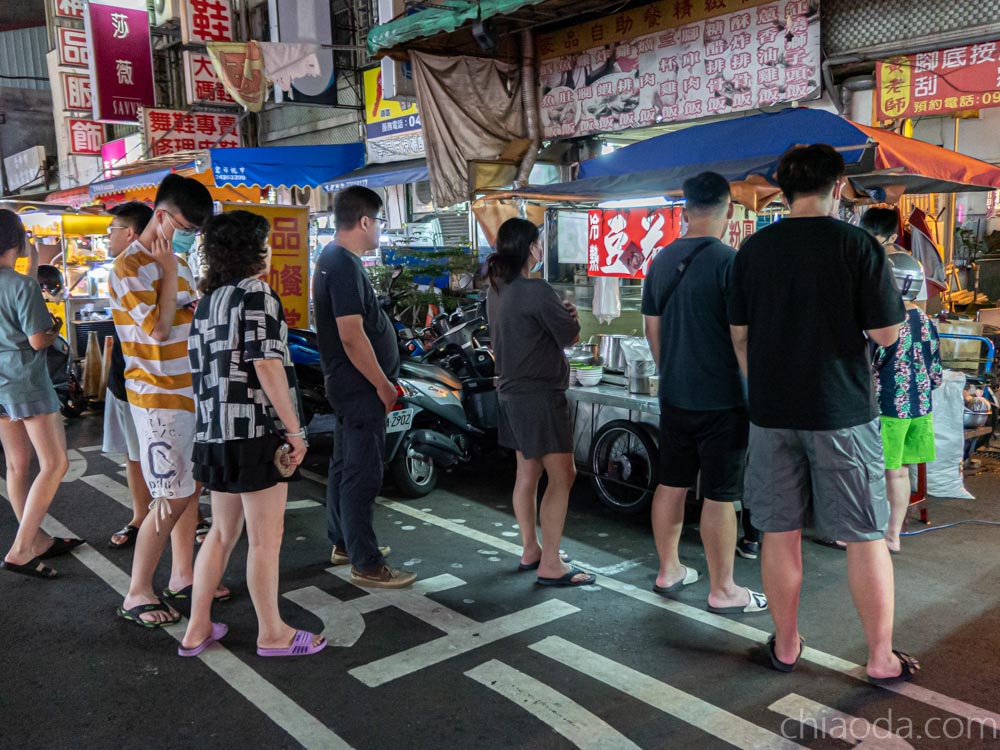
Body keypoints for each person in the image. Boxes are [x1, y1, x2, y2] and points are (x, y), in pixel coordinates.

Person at [729, 143, 919, 684]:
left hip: (771, 413)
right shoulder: (857, 245)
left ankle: (786, 646)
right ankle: (880, 657)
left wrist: (761, 382)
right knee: (864, 535)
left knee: (779, 532)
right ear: (838, 188)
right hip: (841, 411)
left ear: (783, 190)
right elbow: (885, 334)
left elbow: (738, 336)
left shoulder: (753, 250)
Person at [181, 210, 324, 658]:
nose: (269, 250)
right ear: (253, 249)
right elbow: (267, 364)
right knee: (266, 538)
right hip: (254, 432)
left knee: (222, 533)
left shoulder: (209, 301)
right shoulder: (256, 294)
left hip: (212, 434)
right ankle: (272, 633)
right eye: (264, 242)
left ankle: (196, 627)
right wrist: (295, 430)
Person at [640, 172, 767, 614]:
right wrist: (758, 390)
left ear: (685, 209)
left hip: (675, 396)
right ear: (730, 210)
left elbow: (651, 329)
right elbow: (741, 338)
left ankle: (668, 569)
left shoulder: (659, 261)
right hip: (725, 399)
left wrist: (670, 370)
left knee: (671, 484)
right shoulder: (732, 262)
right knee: (720, 494)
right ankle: (724, 588)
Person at [109, 174, 228, 627]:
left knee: (188, 488)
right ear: (161, 216)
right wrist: (173, 279)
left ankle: (183, 574)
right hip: (157, 396)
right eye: (186, 227)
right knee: (170, 496)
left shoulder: (171, 259)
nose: (190, 237)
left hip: (187, 388)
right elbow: (157, 330)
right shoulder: (126, 268)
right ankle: (137, 590)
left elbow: (185, 317)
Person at [485, 218, 595, 587]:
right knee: (563, 475)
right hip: (539, 395)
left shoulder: (497, 290)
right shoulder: (536, 290)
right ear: (531, 248)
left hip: (511, 391)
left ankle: (532, 549)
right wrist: (573, 318)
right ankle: (551, 563)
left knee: (528, 473)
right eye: (539, 243)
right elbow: (570, 335)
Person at [313, 186, 414, 588]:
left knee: (343, 467)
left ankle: (345, 543)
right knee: (361, 472)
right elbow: (352, 335)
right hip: (359, 388)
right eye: (381, 221)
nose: (381, 230)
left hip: (347, 384)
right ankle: (366, 562)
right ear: (366, 221)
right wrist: (384, 386)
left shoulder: (334, 260)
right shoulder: (342, 264)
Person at [0, 210, 76, 579]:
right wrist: (51, 331)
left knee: (17, 465)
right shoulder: (23, 287)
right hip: (25, 381)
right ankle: (21, 548)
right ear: (18, 242)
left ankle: (38, 538)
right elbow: (36, 339)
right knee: (55, 463)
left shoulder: (18, 283)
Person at [873, 252, 943, 554]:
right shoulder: (927, 322)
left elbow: (871, 366)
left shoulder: (886, 323)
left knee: (874, 472)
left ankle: (872, 533)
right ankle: (893, 534)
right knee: (900, 472)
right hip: (919, 410)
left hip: (889, 409)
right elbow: (936, 373)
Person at [102, 202, 154, 550]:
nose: (108, 237)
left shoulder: (163, 267)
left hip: (160, 377)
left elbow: (159, 330)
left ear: (131, 233)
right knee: (135, 453)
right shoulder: (122, 269)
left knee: (175, 452)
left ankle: (190, 517)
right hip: (126, 376)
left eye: (112, 230)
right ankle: (140, 516)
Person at [860, 206, 929, 308]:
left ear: (892, 238)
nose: (867, 246)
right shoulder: (862, 260)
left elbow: (920, 307)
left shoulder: (909, 267)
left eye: (873, 242)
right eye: (863, 240)